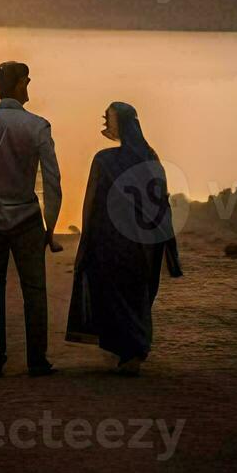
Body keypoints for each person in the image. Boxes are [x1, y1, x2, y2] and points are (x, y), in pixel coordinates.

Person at [0, 61, 62, 378]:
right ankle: (36, 360)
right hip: (26, 218)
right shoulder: (37, 126)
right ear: (19, 85)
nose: (28, 86)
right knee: (34, 290)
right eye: (26, 81)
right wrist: (52, 226)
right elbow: (52, 182)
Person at [66, 102, 183, 376]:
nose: (104, 122)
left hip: (112, 242)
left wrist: (88, 241)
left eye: (108, 118)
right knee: (136, 295)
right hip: (144, 245)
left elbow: (92, 203)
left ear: (122, 124)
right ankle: (133, 350)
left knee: (115, 294)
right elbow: (160, 203)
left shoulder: (104, 160)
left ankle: (129, 350)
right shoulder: (150, 158)